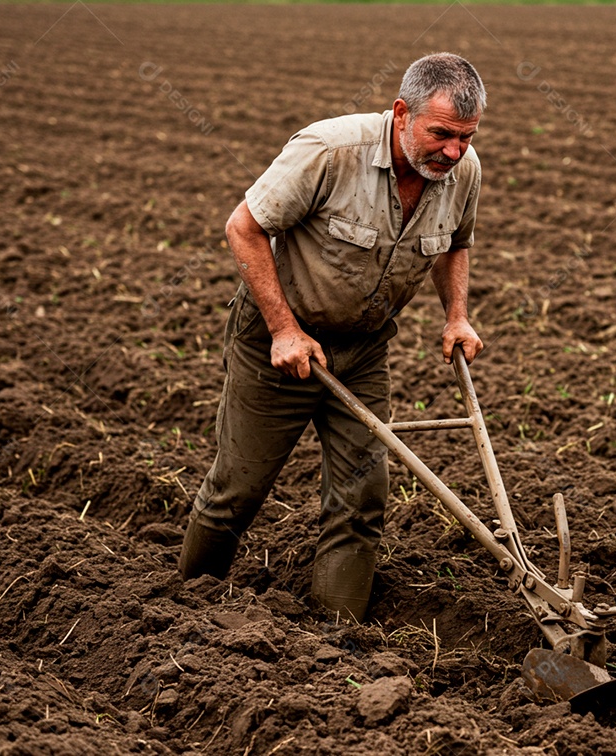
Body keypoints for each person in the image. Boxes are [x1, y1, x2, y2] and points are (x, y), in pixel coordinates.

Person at [178, 53, 487, 622]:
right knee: (236, 493)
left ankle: (334, 641)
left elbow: (456, 243)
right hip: (279, 346)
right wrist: (283, 330)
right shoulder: (329, 152)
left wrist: (456, 317)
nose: (454, 151)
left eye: (465, 138)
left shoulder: (460, 173)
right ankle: (180, 612)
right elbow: (242, 228)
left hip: (364, 351)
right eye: (441, 134)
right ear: (401, 113)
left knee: (361, 499)